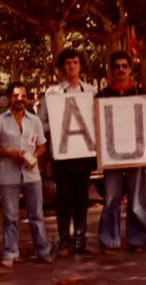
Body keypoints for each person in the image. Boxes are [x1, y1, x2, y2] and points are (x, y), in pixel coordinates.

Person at [38, 49, 97, 256]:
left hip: (83, 154)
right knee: (63, 197)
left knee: (82, 197)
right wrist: (55, 125)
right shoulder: (52, 94)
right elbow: (41, 124)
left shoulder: (91, 92)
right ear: (62, 67)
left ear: (80, 65)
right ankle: (64, 239)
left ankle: (81, 238)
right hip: (61, 155)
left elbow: (97, 122)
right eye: (68, 63)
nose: (72, 66)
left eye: (75, 62)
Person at [0, 82, 52, 267]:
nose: (20, 99)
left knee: (37, 215)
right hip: (8, 176)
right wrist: (10, 153)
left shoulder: (35, 120)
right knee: (10, 216)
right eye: (16, 95)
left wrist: (33, 157)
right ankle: (10, 253)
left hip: (32, 175)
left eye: (23, 95)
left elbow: (42, 146)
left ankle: (42, 250)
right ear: (10, 98)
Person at [97, 51, 146, 253]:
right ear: (111, 70)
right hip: (112, 157)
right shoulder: (101, 96)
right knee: (111, 198)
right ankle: (109, 239)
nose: (121, 70)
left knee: (136, 199)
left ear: (130, 69)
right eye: (117, 66)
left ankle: (137, 240)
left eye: (124, 66)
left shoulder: (141, 93)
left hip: (136, 155)